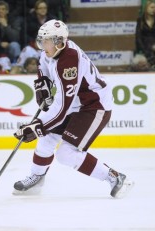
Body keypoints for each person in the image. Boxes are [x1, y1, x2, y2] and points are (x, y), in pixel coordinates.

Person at [13, 19, 134, 198]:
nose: (42, 45)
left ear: (59, 42)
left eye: (45, 41)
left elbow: (62, 108)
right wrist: (42, 84)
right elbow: (43, 65)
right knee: (46, 140)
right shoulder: (52, 49)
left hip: (94, 106)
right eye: (42, 40)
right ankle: (37, 177)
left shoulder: (68, 61)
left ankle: (115, 177)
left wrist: (37, 127)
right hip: (76, 103)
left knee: (66, 154)